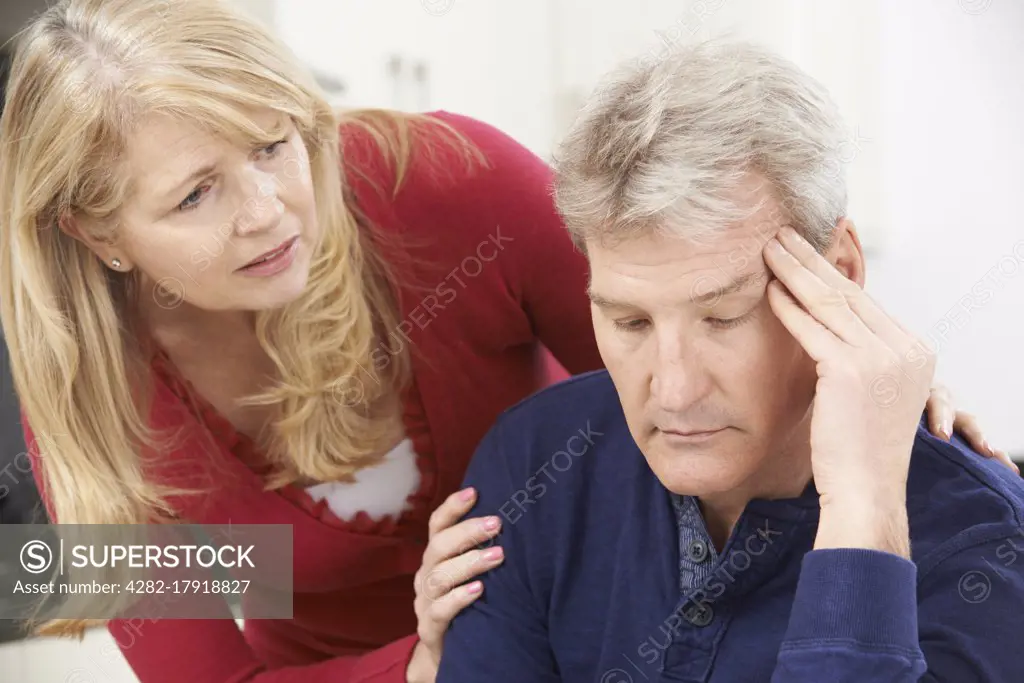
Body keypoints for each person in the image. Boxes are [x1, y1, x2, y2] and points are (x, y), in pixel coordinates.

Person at [0, 2, 1004, 681]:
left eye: (276, 143)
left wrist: (878, 397)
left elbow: (683, 323)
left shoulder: (450, 187)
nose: (271, 212)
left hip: (593, 598)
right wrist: (421, 659)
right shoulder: (93, 408)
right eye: (194, 194)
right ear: (95, 233)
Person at [436, 40, 1024, 683]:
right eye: (631, 322)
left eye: (723, 319)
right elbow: (298, 616)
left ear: (840, 274)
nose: (675, 391)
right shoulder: (535, 463)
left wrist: (863, 514)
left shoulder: (985, 547)